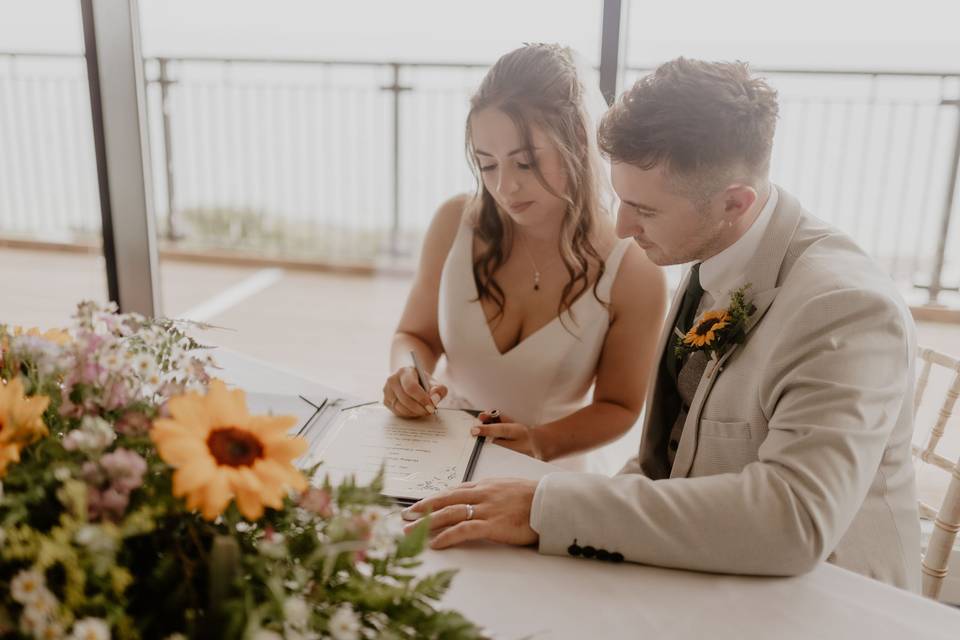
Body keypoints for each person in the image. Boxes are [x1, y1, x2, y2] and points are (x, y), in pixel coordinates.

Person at [404, 58, 921, 591]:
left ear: (733, 202)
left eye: (643, 210)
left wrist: (544, 508)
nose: (623, 228)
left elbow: (793, 518)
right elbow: (666, 467)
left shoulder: (846, 307)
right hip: (701, 564)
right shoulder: (711, 250)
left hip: (826, 596)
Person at [382, 44, 666, 471]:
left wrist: (536, 443)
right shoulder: (454, 222)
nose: (505, 188)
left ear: (577, 146)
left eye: (526, 163)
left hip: (547, 470)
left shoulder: (633, 270)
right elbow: (415, 337)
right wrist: (408, 374)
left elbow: (620, 406)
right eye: (488, 165)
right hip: (440, 450)